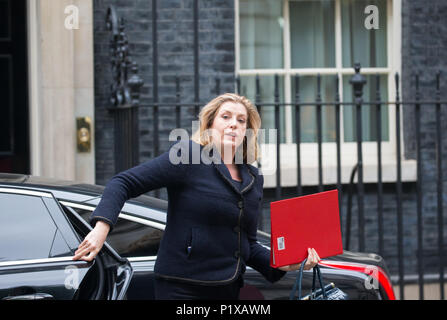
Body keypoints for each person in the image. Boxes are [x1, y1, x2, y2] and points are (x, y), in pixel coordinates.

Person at [72, 93, 320, 299]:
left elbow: (247, 244)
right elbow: (123, 182)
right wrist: (100, 230)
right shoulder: (188, 157)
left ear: (248, 131)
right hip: (182, 289)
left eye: (242, 120)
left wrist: (286, 262)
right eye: (226, 117)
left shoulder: (253, 178)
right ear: (210, 125)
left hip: (228, 290)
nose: (234, 124)